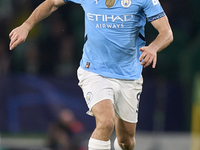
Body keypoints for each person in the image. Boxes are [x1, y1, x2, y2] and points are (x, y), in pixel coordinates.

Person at [9, 0, 173, 149]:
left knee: (126, 141)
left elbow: (166, 33)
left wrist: (153, 48)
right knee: (106, 122)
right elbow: (52, 2)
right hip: (93, 71)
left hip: (129, 75)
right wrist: (26, 25)